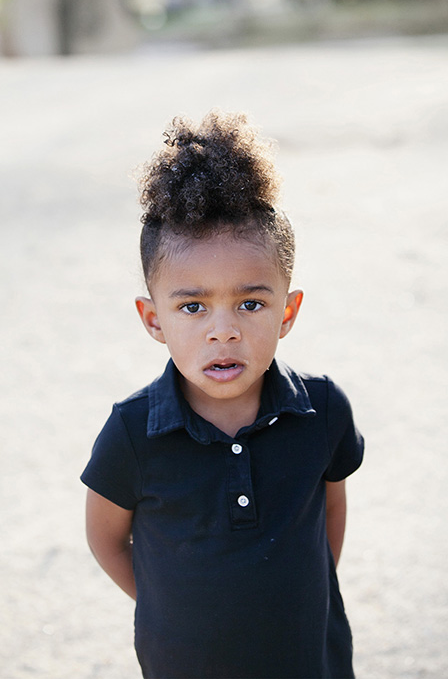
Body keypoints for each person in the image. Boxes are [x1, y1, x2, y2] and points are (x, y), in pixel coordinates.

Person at [81, 111, 363, 678]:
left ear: (288, 312)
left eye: (251, 304)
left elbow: (330, 512)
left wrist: (300, 594)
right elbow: (106, 539)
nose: (223, 331)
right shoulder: (133, 433)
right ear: (153, 319)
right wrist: (169, 606)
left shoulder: (323, 411)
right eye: (193, 307)